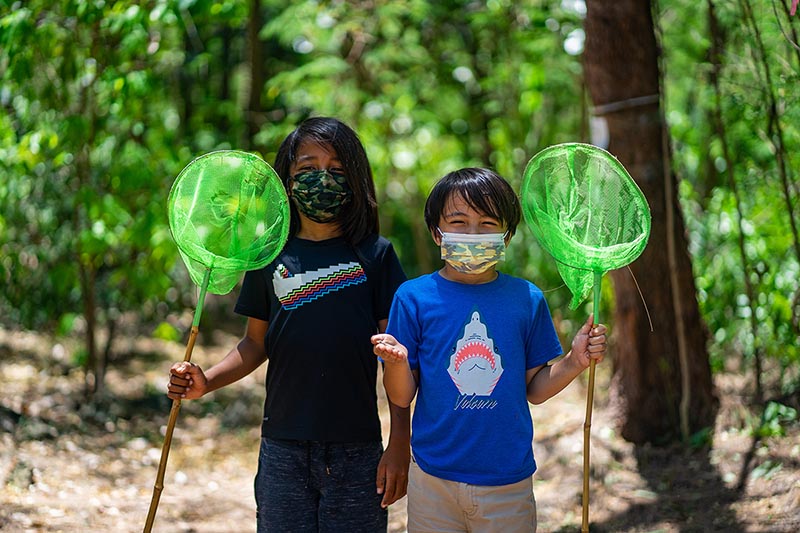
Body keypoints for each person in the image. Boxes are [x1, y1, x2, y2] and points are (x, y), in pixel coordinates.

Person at [167, 117, 411, 532]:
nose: (323, 179)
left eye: (337, 171)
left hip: (357, 449)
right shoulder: (267, 257)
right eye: (307, 170)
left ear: (356, 181)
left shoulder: (377, 256)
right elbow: (254, 344)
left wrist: (400, 444)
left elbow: (396, 360)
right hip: (282, 447)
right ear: (287, 180)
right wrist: (206, 380)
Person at [372, 167, 607, 533]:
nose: (472, 233)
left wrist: (576, 360)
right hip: (433, 481)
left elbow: (536, 389)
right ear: (437, 232)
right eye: (458, 222)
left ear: (507, 236)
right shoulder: (413, 298)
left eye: (487, 223)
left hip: (507, 485)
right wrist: (397, 364)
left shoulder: (526, 299)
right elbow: (402, 395)